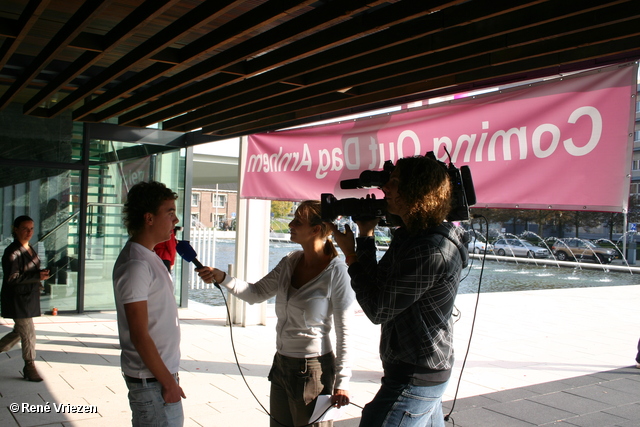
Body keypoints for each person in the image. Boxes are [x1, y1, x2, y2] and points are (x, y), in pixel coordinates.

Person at [328, 155, 469, 427]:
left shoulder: (431, 249)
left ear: (415, 190)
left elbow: (378, 308)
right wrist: (365, 237)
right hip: (414, 371)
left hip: (416, 376)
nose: (385, 189)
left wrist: (351, 256)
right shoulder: (412, 236)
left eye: (394, 182)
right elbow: (379, 283)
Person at [197, 200, 356, 427]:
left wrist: (343, 381)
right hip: (281, 364)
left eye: (297, 221)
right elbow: (255, 293)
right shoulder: (290, 261)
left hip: (314, 371)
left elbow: (345, 331)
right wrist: (223, 278)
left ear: (316, 230)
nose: (290, 224)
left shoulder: (337, 272)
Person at [113, 181, 185, 427]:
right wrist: (168, 383)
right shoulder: (136, 265)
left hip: (158, 378)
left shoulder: (149, 256)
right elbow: (140, 335)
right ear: (149, 218)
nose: (175, 220)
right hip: (151, 383)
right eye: (170, 212)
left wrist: (169, 378)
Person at [0, 215, 50, 382]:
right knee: (28, 333)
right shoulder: (12, 252)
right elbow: (12, 278)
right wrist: (37, 276)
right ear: (16, 229)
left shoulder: (29, 248)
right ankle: (29, 366)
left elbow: (28, 272)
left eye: (31, 229)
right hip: (17, 300)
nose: (29, 232)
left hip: (28, 297)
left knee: (19, 332)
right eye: (25, 228)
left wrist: (39, 275)